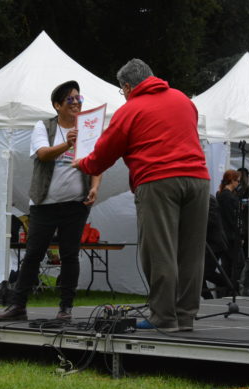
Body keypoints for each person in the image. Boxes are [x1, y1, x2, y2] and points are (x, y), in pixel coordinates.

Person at [73, 59, 210, 332]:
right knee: (191, 253)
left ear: (127, 86)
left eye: (121, 90)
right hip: (198, 179)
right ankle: (186, 317)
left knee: (160, 251)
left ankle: (163, 317)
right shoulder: (184, 100)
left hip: (159, 181)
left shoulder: (130, 109)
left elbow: (104, 154)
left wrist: (84, 164)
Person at [0, 81, 102, 321]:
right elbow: (43, 154)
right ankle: (18, 305)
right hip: (45, 204)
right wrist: (67, 143)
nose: (76, 103)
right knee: (33, 254)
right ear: (57, 105)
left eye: (79, 98)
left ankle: (66, 308)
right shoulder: (43, 126)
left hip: (76, 204)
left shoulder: (87, 128)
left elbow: (97, 161)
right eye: (70, 100)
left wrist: (95, 187)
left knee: (69, 255)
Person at [216, 170, 242, 289]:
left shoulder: (224, 194)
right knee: (235, 262)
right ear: (232, 181)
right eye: (237, 181)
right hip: (230, 234)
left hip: (228, 233)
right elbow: (230, 217)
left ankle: (227, 288)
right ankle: (230, 288)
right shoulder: (227, 196)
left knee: (229, 263)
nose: (238, 183)